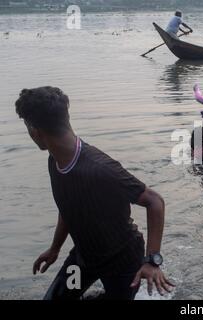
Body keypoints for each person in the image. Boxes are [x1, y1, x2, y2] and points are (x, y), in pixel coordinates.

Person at [15, 87, 174, 300]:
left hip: (121, 264)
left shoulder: (100, 169)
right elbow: (68, 206)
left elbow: (155, 201)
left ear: (34, 131)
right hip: (84, 259)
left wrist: (152, 261)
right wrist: (54, 248)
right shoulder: (55, 160)